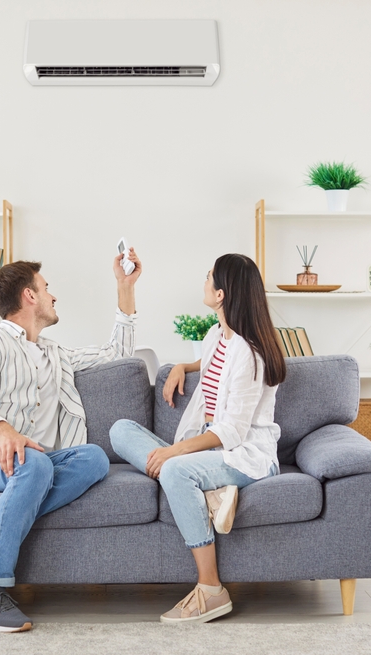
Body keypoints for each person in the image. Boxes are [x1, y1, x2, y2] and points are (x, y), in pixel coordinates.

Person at [0, 249, 142, 633]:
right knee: (36, 463)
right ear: (29, 296)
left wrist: (125, 286)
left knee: (95, 459)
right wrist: (3, 430)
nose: (53, 296)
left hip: (32, 462)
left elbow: (118, 352)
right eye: (46, 288)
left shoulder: (56, 354)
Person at [109, 253, 286, 624]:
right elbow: (212, 366)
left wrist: (174, 453)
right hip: (212, 446)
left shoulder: (250, 353)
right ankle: (211, 495)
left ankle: (211, 590)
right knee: (120, 431)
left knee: (175, 472)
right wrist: (181, 367)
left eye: (209, 277)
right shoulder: (216, 336)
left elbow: (233, 431)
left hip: (244, 452)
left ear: (221, 294)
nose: (204, 281)